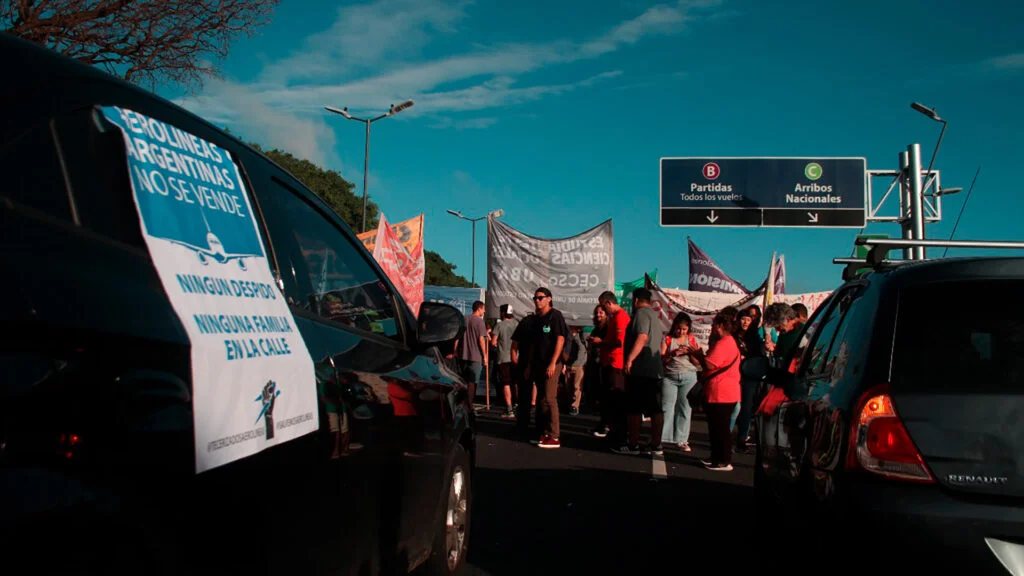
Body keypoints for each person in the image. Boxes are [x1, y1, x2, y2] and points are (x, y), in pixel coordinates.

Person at [613, 288, 666, 455]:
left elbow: (642, 336)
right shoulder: (655, 316)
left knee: (634, 408)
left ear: (636, 301)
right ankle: (656, 444)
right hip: (654, 369)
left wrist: (629, 359)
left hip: (641, 369)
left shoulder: (641, 314)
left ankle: (633, 444)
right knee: (655, 408)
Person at [692, 310, 742, 471]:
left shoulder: (725, 343)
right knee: (716, 428)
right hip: (721, 392)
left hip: (723, 393)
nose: (712, 328)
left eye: (713, 325)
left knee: (721, 428)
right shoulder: (727, 342)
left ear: (719, 326)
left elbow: (710, 364)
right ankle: (716, 457)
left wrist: (699, 355)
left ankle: (723, 460)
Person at [522, 287, 569, 448]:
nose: (537, 300)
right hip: (538, 364)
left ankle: (555, 436)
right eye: (535, 298)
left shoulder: (555, 316)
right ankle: (545, 433)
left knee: (550, 399)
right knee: (542, 400)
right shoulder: (537, 319)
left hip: (551, 364)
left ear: (549, 299)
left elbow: (560, 340)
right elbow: (534, 345)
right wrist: (529, 365)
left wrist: (553, 362)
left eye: (540, 297)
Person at [591, 291, 630, 443]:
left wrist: (601, 343)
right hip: (609, 362)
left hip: (616, 363)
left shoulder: (620, 317)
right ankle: (612, 430)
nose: (602, 309)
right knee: (608, 398)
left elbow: (620, 342)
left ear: (608, 303)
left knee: (616, 400)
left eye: (602, 305)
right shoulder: (615, 317)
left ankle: (619, 434)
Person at [660, 312, 702, 452]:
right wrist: (672, 354)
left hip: (688, 376)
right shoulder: (667, 339)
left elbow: (697, 363)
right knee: (667, 406)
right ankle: (664, 437)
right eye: (679, 328)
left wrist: (690, 353)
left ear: (688, 328)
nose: (681, 331)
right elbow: (662, 360)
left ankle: (682, 439)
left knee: (685, 408)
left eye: (684, 329)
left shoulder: (692, 340)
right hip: (670, 376)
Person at [459, 301, 488, 413]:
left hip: (464, 355)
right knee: (472, 383)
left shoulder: (464, 319)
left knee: (464, 381)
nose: (484, 311)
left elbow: (458, 337)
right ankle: (469, 406)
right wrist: (485, 356)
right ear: (479, 309)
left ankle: (463, 404)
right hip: (476, 356)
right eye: (483, 309)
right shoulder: (480, 322)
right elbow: (481, 340)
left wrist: (456, 350)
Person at [491, 304, 519, 419]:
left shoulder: (499, 325)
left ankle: (509, 408)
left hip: (503, 358)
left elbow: (493, 342)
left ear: (503, 313)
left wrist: (498, 345)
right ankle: (517, 404)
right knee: (516, 382)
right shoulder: (517, 324)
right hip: (516, 358)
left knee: (506, 383)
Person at [565, 326, 588, 416]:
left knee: (577, 386)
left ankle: (575, 405)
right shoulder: (567, 336)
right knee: (568, 386)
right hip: (568, 364)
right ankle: (569, 403)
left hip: (579, 364)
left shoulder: (582, 336)